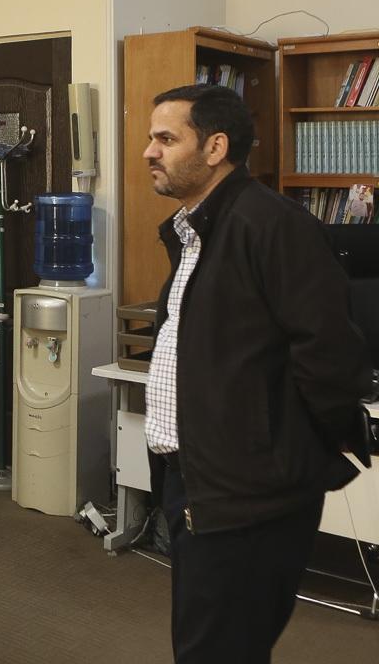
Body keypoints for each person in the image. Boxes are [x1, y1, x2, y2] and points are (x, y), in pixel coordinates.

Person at [142, 84, 373, 663]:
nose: (149, 151)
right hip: (197, 477)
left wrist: (291, 447)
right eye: (151, 138)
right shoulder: (195, 229)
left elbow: (331, 355)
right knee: (211, 641)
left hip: (249, 490)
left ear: (215, 147)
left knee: (219, 649)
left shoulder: (272, 224)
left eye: (166, 138)